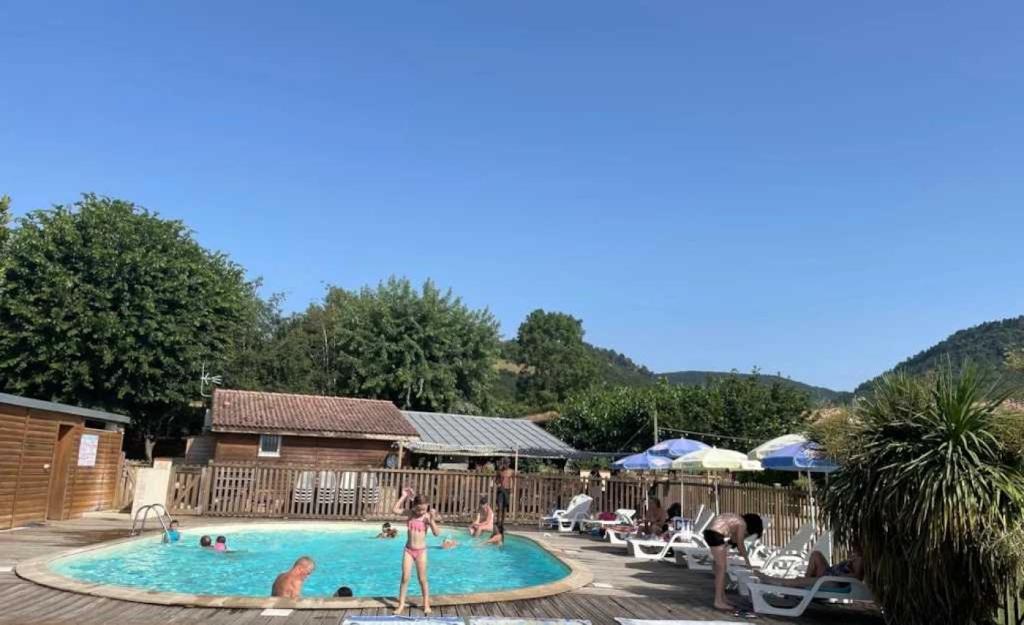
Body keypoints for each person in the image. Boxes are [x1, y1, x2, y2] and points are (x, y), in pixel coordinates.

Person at [704, 513, 764, 615]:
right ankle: (718, 601)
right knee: (721, 569)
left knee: (719, 568)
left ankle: (722, 598)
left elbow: (733, 540)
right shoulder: (742, 524)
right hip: (716, 535)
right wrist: (747, 562)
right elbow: (740, 544)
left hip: (710, 533)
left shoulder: (735, 519)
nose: (747, 534)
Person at [393, 487, 440, 614]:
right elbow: (395, 510)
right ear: (414, 506)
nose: (421, 512)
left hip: (421, 552)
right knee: (405, 578)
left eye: (424, 509)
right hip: (408, 550)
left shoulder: (427, 517)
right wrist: (404, 496)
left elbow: (437, 533)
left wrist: (432, 520)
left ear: (427, 507)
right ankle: (401, 604)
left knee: (422, 579)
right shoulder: (410, 514)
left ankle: (426, 604)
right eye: (418, 509)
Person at [761, 539, 865, 588]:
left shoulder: (859, 559)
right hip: (829, 575)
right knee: (816, 554)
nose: (850, 548)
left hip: (833, 581)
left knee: (799, 581)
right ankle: (806, 583)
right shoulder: (854, 558)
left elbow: (856, 577)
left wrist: (839, 575)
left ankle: (773, 581)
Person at [495, 458, 514, 528]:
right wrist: (498, 483)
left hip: (507, 490)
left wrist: (512, 491)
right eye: (505, 463)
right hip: (500, 490)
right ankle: (498, 522)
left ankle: (502, 523)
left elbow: (513, 481)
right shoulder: (500, 471)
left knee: (504, 507)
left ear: (509, 464)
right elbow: (496, 480)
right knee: (500, 507)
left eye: (507, 463)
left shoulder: (511, 471)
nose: (506, 465)